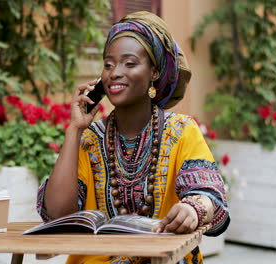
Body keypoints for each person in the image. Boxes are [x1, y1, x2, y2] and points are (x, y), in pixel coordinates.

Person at [36, 11, 230, 264]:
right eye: (108, 64)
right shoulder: (90, 139)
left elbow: (209, 194)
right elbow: (58, 216)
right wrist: (75, 129)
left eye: (129, 63)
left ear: (154, 73)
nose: (115, 72)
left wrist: (194, 208)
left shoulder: (181, 130)